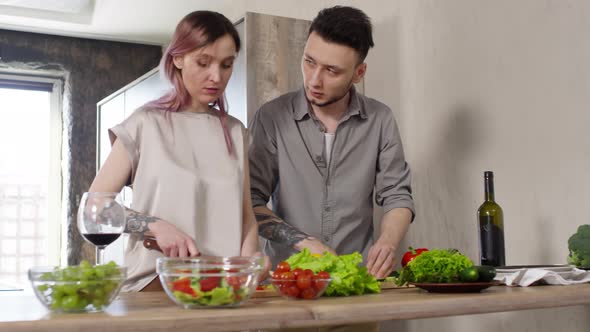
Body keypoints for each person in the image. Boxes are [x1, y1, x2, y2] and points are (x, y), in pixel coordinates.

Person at [89, 11, 261, 292]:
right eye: (203, 62)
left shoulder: (235, 132)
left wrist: (249, 262)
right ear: (177, 58)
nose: (216, 76)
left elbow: (246, 217)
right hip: (154, 286)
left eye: (227, 65)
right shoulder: (144, 123)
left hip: (221, 290)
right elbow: (96, 209)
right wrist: (154, 226)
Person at [249, 6, 415, 280]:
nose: (314, 80)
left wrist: (387, 242)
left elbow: (397, 195)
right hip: (288, 283)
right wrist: (303, 241)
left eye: (332, 71)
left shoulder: (380, 119)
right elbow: (251, 202)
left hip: (356, 282)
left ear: (359, 73)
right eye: (309, 62)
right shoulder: (271, 118)